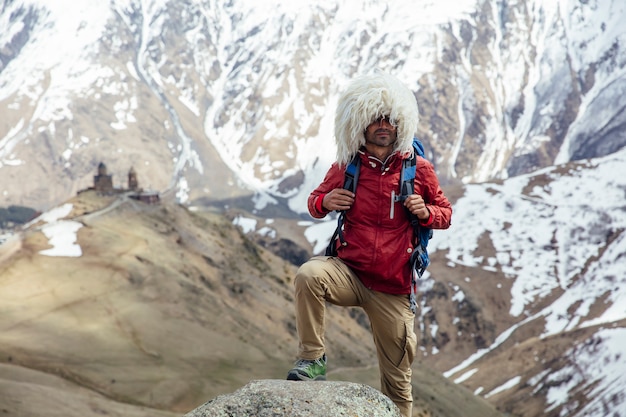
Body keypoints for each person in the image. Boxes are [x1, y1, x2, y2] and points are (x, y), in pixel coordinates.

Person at [286, 71, 453, 417]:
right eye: (375, 118)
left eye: (391, 119)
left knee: (397, 386)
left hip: (392, 289)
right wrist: (326, 201)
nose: (383, 125)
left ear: (400, 124)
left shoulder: (418, 169)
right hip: (349, 273)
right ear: (360, 122)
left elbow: (446, 214)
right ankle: (312, 359)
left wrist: (426, 213)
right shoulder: (347, 166)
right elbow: (315, 202)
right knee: (309, 275)